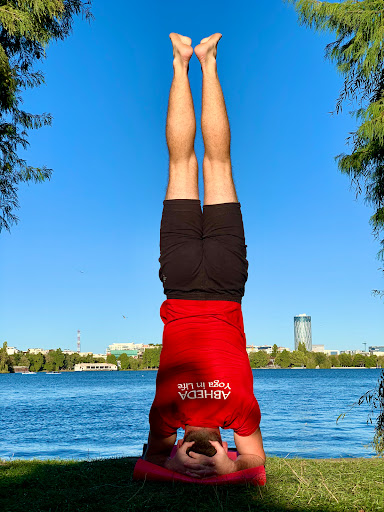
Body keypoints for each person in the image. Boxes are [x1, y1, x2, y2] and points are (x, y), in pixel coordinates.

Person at [143, 33, 266, 479]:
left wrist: (225, 469)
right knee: (181, 164)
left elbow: (255, 464)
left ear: (223, 443)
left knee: (218, 164)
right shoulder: (167, 415)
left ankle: (207, 61)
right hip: (179, 283)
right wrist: (170, 460)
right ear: (182, 441)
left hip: (227, 285)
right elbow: (149, 462)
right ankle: (181, 61)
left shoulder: (240, 413)